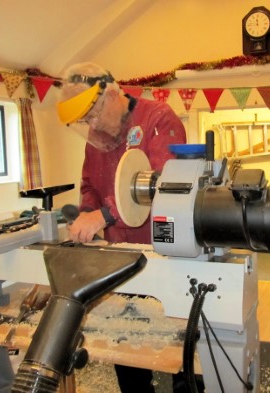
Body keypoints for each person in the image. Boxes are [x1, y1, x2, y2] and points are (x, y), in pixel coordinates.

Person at [57, 62, 187, 393]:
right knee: (126, 343)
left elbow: (163, 185)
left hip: (166, 252)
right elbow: (90, 184)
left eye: (95, 113)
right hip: (121, 257)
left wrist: (104, 214)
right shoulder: (97, 135)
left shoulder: (159, 119)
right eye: (86, 119)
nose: (93, 123)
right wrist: (86, 213)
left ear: (114, 93)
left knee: (181, 347)